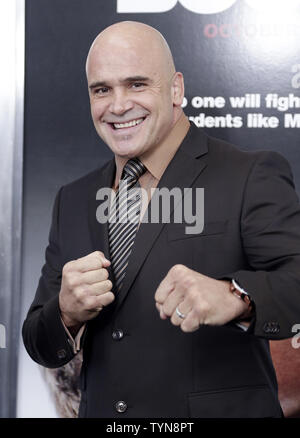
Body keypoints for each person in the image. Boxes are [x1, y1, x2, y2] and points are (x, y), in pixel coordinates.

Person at [22, 21, 300, 418]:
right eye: (102, 89)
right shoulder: (74, 199)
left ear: (175, 89)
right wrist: (65, 311)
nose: (117, 105)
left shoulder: (249, 174)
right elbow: (37, 341)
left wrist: (236, 296)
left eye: (136, 84)